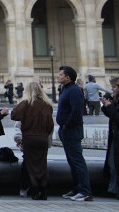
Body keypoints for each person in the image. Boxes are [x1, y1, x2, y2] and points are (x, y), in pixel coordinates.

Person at [11, 80, 54, 200]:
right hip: (43, 139)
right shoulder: (48, 105)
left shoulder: (26, 103)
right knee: (42, 165)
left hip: (29, 138)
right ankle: (44, 192)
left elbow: (14, 115)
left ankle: (35, 192)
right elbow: (51, 125)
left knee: (31, 167)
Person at [56, 65, 92, 201]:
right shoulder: (66, 89)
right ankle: (77, 188)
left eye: (60, 75)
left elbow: (76, 112)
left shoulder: (74, 90)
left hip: (72, 130)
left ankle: (85, 191)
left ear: (67, 77)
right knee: (72, 162)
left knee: (77, 161)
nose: (58, 76)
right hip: (66, 130)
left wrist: (66, 125)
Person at [101, 77, 119, 198]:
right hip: (115, 136)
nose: (112, 89)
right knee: (112, 163)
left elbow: (117, 116)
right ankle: (113, 189)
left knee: (115, 163)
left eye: (114, 87)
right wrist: (105, 106)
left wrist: (109, 106)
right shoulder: (116, 100)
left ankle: (115, 189)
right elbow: (112, 115)